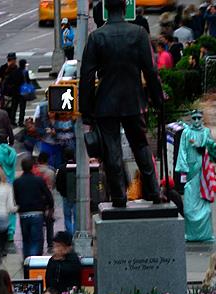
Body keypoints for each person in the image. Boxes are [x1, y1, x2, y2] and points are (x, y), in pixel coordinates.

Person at [79, 0, 163, 207]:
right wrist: (158, 98)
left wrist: (86, 109)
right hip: (133, 100)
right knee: (141, 145)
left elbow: (86, 77)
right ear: (125, 7)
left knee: (111, 150)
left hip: (106, 102)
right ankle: (153, 190)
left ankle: (118, 196)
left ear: (107, 9)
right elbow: (150, 71)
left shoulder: (97, 37)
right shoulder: (139, 33)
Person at [175, 110, 216, 242]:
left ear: (202, 119)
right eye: (194, 118)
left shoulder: (206, 132)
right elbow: (182, 150)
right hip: (191, 171)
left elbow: (213, 149)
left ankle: (205, 234)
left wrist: (203, 149)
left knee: (205, 209)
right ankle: (191, 234)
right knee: (189, 208)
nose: (196, 121)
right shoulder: (186, 132)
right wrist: (183, 167)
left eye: (198, 118)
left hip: (203, 171)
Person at [13, 157, 54, 261]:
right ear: (32, 167)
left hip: (23, 213)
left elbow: (16, 197)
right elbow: (48, 195)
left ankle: (27, 260)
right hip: (37, 212)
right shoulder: (38, 180)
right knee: (36, 240)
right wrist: (50, 206)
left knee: (26, 240)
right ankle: (34, 262)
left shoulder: (17, 182)